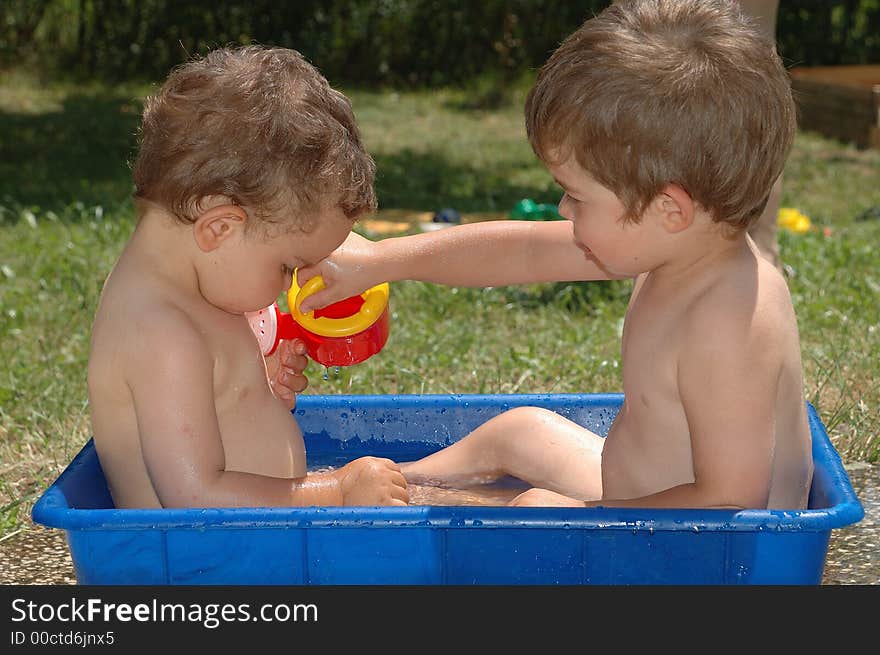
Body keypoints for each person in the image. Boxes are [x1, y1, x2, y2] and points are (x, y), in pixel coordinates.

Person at [297, 0, 813, 510]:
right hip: (641, 497)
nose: (564, 209)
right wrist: (382, 259)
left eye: (578, 196)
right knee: (518, 432)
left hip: (705, 556)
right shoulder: (674, 246)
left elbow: (733, 505)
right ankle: (382, 490)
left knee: (533, 514)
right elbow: (517, 252)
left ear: (668, 208)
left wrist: (583, 519)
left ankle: (396, 507)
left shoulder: (727, 322)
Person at [87, 45, 408, 509]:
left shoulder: (192, 287)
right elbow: (193, 497)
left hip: (243, 552)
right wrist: (336, 491)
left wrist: (251, 389)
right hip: (198, 573)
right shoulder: (161, 333)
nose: (288, 285)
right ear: (220, 227)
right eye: (287, 266)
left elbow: (198, 408)